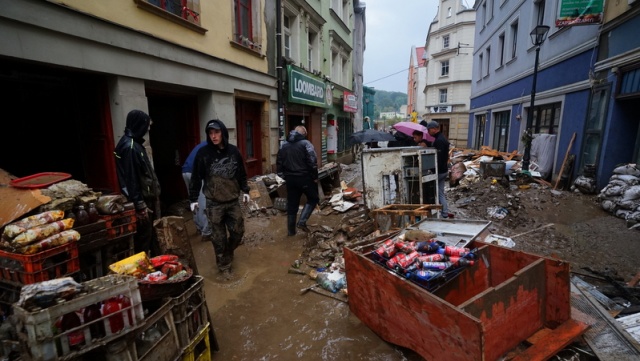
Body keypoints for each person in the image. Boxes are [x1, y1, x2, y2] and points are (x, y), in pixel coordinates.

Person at [189, 119, 251, 276]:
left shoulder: (233, 152)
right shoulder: (203, 154)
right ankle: (224, 266)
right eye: (210, 133)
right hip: (213, 203)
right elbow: (196, 177)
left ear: (223, 133)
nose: (213, 136)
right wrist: (193, 198)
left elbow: (241, 173)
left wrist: (246, 191)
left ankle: (228, 252)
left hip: (232, 201)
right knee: (218, 238)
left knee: (238, 232)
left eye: (216, 132)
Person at [114, 109, 161, 255]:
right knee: (144, 237)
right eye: (146, 126)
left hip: (147, 197)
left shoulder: (135, 144)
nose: (147, 130)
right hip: (143, 200)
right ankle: (143, 269)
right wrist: (140, 205)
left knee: (152, 234)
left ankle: (155, 262)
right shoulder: (130, 147)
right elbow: (131, 179)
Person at [276, 125, 319, 236]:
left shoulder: (283, 145)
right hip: (304, 178)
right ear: (303, 134)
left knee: (292, 205)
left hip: (290, 179)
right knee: (313, 198)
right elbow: (312, 161)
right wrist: (314, 177)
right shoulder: (306, 144)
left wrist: (284, 177)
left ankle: (291, 233)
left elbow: (279, 163)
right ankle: (302, 221)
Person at [182, 140, 211, 240]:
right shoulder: (211, 147)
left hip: (185, 172)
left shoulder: (202, 144)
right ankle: (206, 232)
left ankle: (199, 227)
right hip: (195, 173)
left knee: (194, 201)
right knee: (203, 201)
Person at [426, 121, 451, 218]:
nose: (428, 131)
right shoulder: (441, 138)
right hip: (443, 170)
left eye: (429, 129)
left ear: (435, 129)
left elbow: (439, 158)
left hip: (439, 171)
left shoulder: (439, 140)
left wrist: (433, 169)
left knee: (435, 193)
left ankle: (438, 213)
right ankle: (444, 213)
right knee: (440, 193)